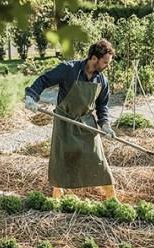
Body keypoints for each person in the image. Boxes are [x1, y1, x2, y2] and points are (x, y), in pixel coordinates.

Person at [24, 39, 116, 199]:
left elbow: (102, 106)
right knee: (62, 161)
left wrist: (106, 125)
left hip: (86, 123)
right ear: (94, 58)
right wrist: (32, 96)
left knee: (98, 160)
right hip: (64, 121)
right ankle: (56, 197)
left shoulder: (102, 80)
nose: (107, 66)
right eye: (105, 62)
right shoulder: (69, 69)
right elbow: (44, 80)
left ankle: (111, 197)